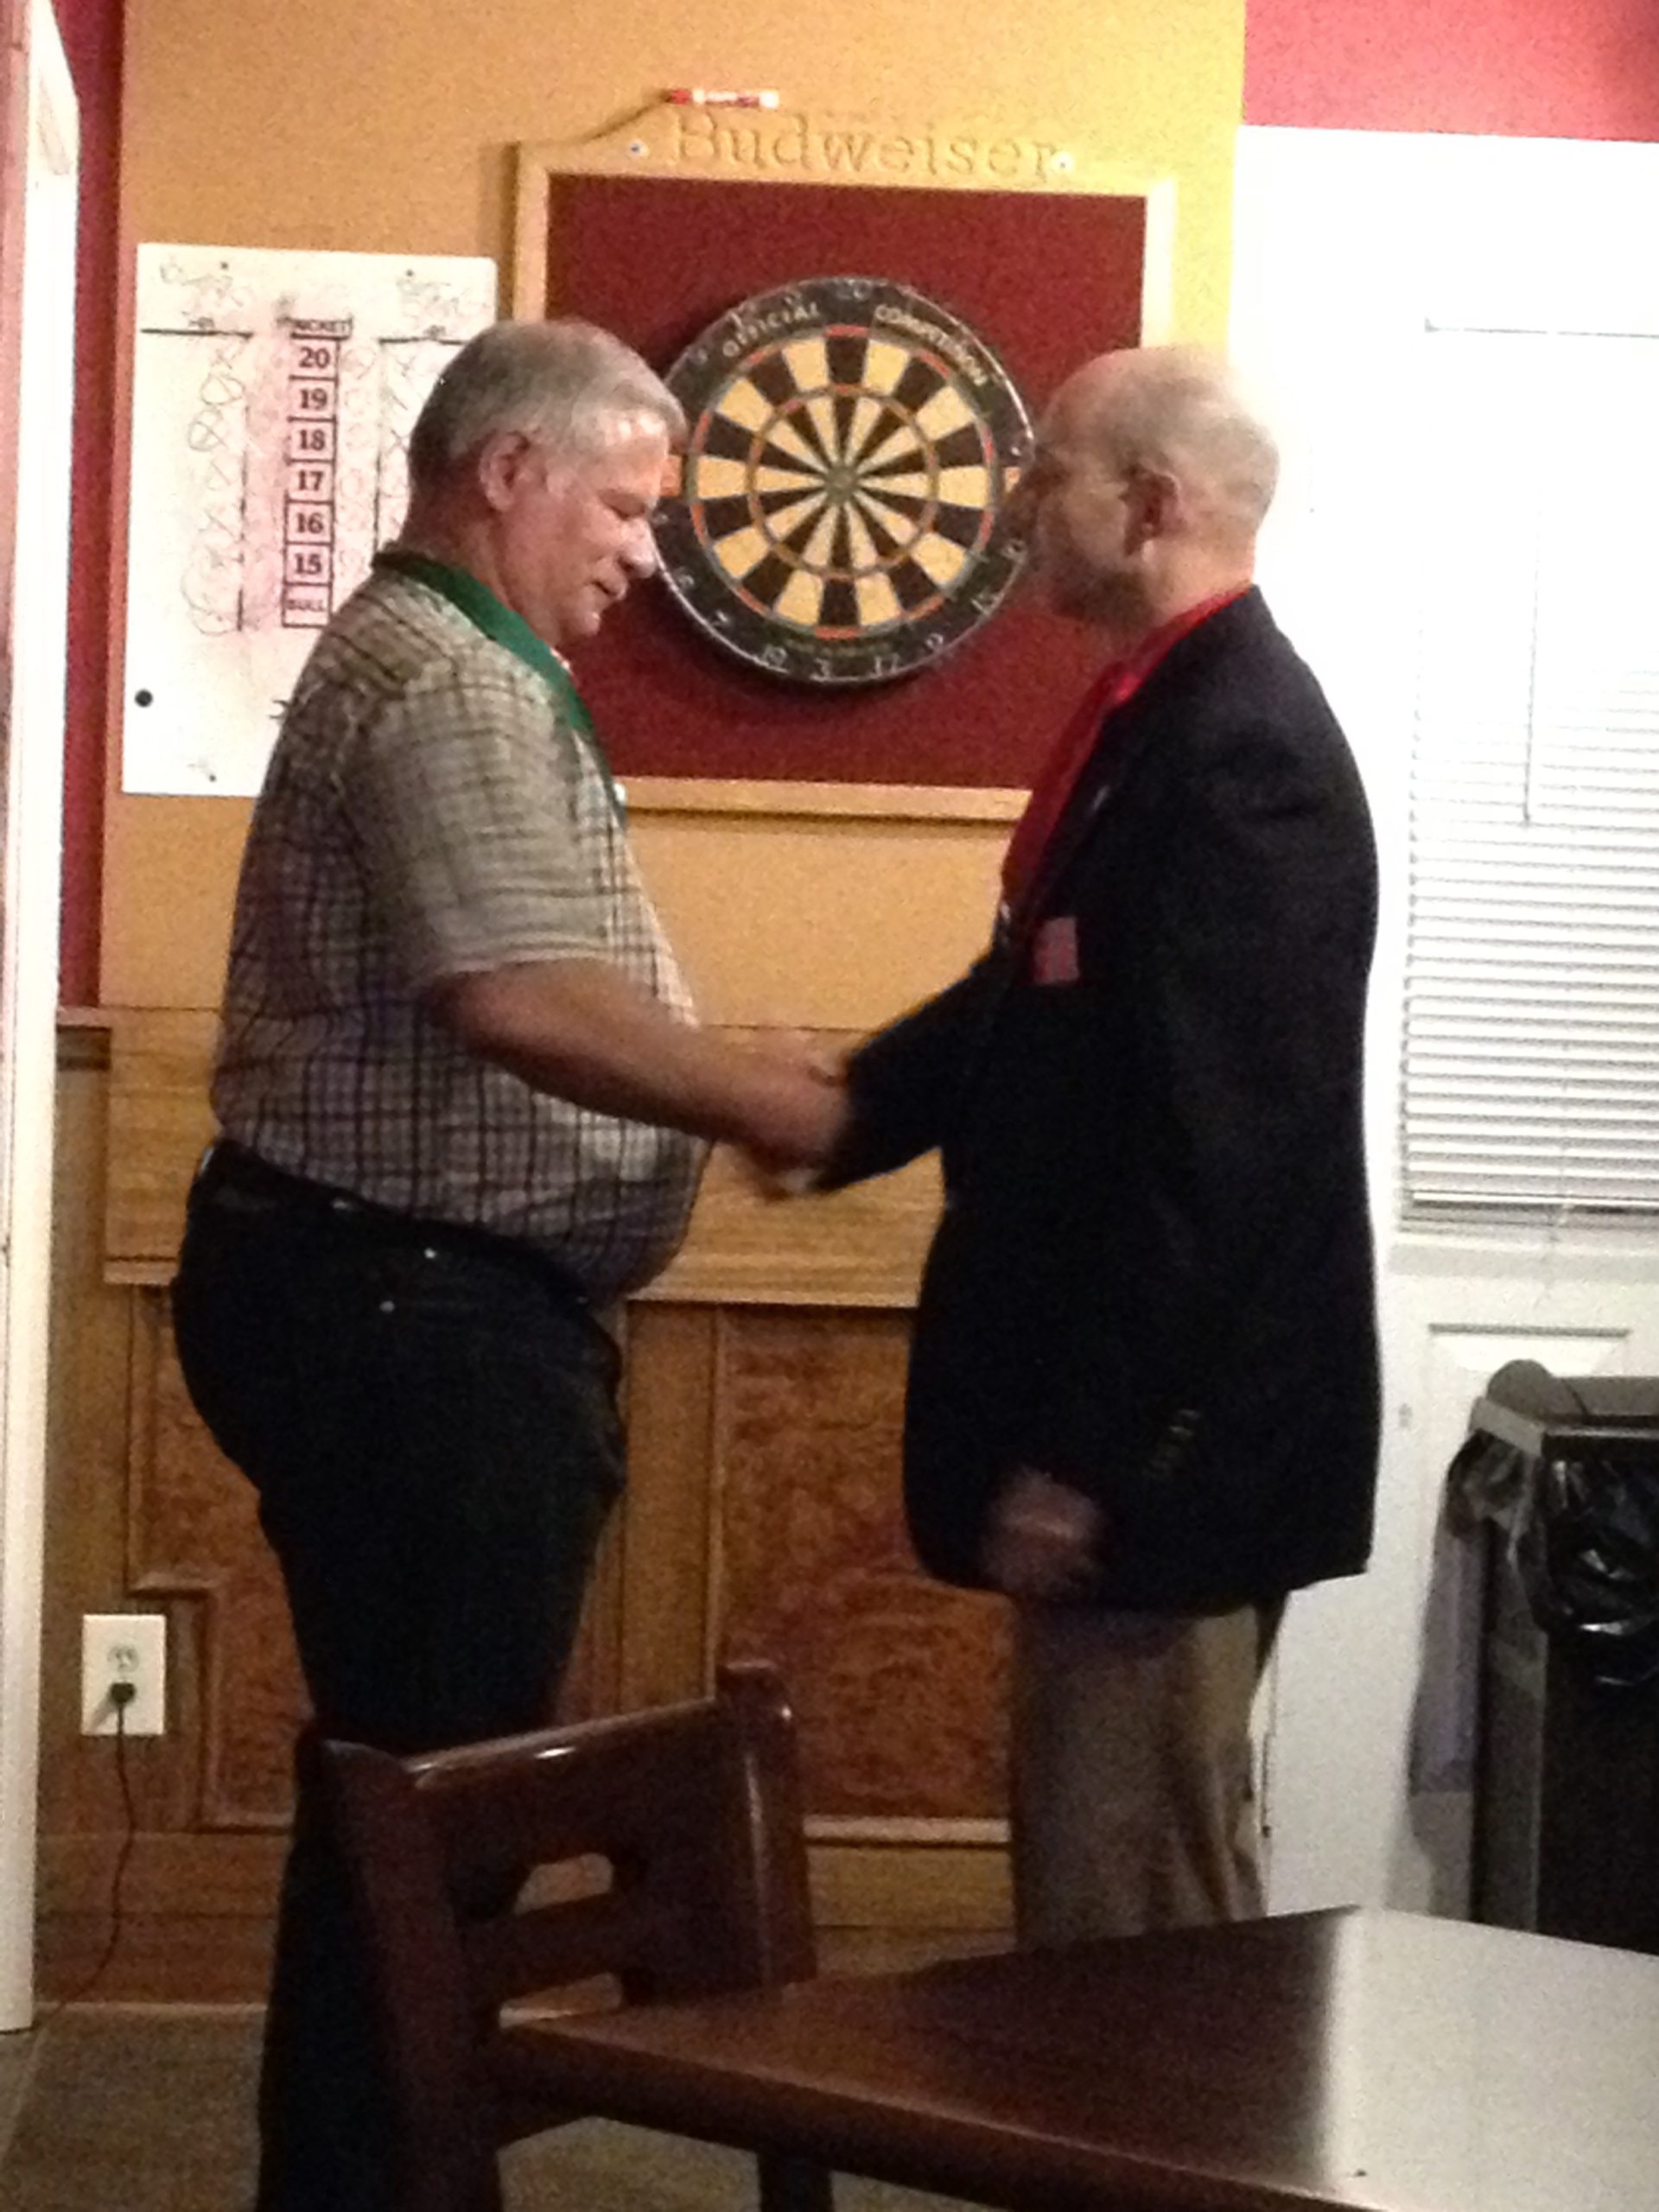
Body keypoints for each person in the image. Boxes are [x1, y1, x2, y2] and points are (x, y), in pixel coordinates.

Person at [169, 318, 842, 2212]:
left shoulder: (452, 660)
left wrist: (715, 1072)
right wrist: (764, 1095)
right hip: (411, 1317)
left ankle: (351, 2182)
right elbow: (514, 991)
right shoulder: (450, 679)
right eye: (625, 507)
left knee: (401, 1812)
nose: (647, 552)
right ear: (510, 470)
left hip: (406, 1306)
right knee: (428, 1834)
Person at [815, 346, 1380, 1945]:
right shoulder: (1169, 717)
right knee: (1103, 1896)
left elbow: (1226, 1153)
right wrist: (843, 1106)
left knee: (1136, 1929)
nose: (1017, 506)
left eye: (1046, 469)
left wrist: (1089, 1457)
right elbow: (1041, 993)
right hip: (1133, 1450)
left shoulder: (1242, 748)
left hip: (1166, 1466)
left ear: (1149, 505)